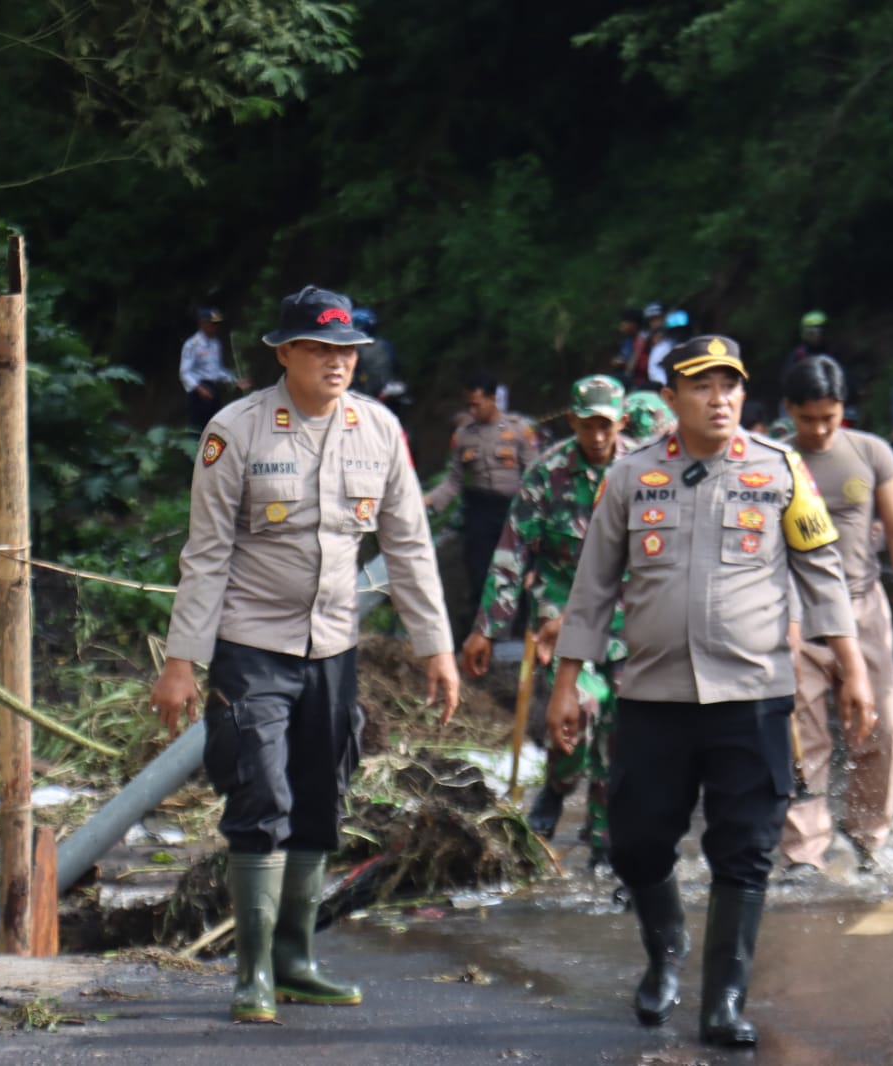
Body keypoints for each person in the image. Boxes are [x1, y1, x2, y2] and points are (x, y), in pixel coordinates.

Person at [548, 335, 873, 1046]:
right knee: (635, 843)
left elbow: (822, 572)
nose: (720, 398)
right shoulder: (632, 476)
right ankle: (664, 954)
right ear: (671, 399)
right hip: (653, 695)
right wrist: (567, 680)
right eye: (702, 386)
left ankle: (723, 1002)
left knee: (745, 849)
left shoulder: (779, 468)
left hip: (753, 693)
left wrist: (854, 668)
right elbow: (594, 583)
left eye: (730, 385)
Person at [149, 285, 458, 1023]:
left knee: (322, 796)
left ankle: (296, 959)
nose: (336, 362)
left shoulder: (378, 430)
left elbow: (408, 545)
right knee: (260, 797)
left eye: (345, 349)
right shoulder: (237, 431)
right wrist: (182, 661)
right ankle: (251, 972)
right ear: (283, 353)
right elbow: (207, 553)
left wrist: (435, 648)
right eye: (319, 348)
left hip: (333, 648)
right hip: (251, 645)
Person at [461, 375, 633, 867]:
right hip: (562, 614)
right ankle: (559, 785)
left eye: (606, 425)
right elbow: (513, 551)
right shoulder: (548, 474)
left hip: (628, 620)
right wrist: (487, 629)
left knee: (621, 727)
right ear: (573, 421)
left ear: (620, 421)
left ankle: (605, 845)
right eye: (587, 425)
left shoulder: (643, 471)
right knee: (576, 711)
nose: (597, 436)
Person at [777, 356, 893, 880]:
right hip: (795, 617)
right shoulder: (775, 460)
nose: (820, 430)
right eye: (809, 419)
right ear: (789, 410)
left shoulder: (871, 453)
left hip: (864, 610)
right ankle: (803, 850)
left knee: (886, 728)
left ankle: (868, 837)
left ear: (845, 408)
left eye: (830, 416)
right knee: (803, 733)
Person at [422, 372, 541, 623]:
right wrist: (427, 502)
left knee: (515, 571)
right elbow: (453, 481)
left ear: (492, 399)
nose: (472, 410)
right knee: (479, 572)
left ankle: (518, 629)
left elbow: (534, 473)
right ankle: (483, 631)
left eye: (477, 404)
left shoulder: (519, 430)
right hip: (478, 509)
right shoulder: (464, 435)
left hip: (512, 508)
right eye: (469, 405)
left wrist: (535, 511)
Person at [180, 306, 250, 429]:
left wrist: (235, 380)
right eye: (213, 324)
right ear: (203, 324)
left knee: (214, 425)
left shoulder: (215, 343)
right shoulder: (192, 344)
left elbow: (217, 370)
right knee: (198, 428)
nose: (216, 327)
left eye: (217, 324)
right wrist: (199, 389)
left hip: (213, 388)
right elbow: (185, 373)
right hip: (198, 391)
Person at [647, 309, 693, 386]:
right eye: (675, 331)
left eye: (682, 330)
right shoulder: (660, 349)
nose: (679, 334)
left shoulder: (694, 346)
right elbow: (654, 370)